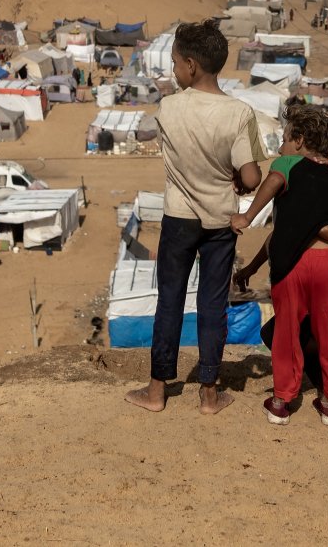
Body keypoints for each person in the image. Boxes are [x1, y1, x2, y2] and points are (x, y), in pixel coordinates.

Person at [125, 21, 265, 416]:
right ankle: (208, 394)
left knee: (168, 301)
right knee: (212, 304)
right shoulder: (239, 113)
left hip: (178, 218)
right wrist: (237, 180)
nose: (172, 71)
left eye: (174, 63)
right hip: (220, 222)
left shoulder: (169, 107)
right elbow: (251, 176)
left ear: (190, 65)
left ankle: (156, 392)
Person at [231, 105, 328, 427]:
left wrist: (247, 216)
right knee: (326, 329)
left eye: (283, 139)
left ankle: (282, 401)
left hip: (293, 264)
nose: (280, 146)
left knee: (284, 331)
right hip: (327, 262)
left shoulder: (286, 164)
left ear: (298, 140)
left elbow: (272, 183)